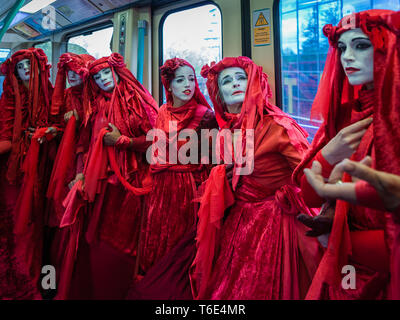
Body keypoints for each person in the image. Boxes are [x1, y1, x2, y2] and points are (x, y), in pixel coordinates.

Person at [189, 56, 322, 300]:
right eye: (226, 81)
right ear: (218, 94)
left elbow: (312, 176)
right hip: (239, 219)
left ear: (253, 84)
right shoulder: (225, 132)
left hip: (277, 221)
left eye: (242, 78)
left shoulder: (277, 126)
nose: (235, 84)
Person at [293, 9, 399, 299]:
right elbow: (310, 195)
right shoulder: (346, 115)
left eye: (361, 45)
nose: (347, 57)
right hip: (348, 273)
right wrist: (328, 154)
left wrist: (342, 240)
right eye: (342, 48)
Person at [61, 53, 158, 299]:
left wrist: (122, 142)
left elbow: (157, 141)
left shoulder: (136, 99)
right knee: (98, 242)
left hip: (131, 183)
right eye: (97, 76)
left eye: (107, 72)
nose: (104, 79)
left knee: (123, 246)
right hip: (102, 185)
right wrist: (81, 174)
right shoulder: (94, 105)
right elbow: (86, 143)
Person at [138, 58, 218, 274]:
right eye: (180, 80)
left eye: (191, 79)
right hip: (161, 187)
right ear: (169, 86)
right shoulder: (163, 111)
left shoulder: (206, 116)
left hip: (188, 189)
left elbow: (213, 160)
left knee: (181, 243)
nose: (188, 85)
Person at [0, 48, 56, 298]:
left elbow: (61, 127)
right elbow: (6, 134)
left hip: (45, 168)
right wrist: (24, 140)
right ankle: (21, 279)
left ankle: (37, 277)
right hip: (15, 171)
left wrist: (49, 133)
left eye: (29, 67)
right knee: (17, 224)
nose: (25, 72)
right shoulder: (9, 100)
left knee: (37, 223)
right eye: (20, 68)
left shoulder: (52, 95)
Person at [45, 52, 95, 299]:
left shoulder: (93, 97)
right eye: (69, 73)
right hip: (66, 159)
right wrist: (60, 127)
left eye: (78, 72)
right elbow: (56, 122)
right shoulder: (64, 97)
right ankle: (58, 273)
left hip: (86, 160)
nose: (73, 77)